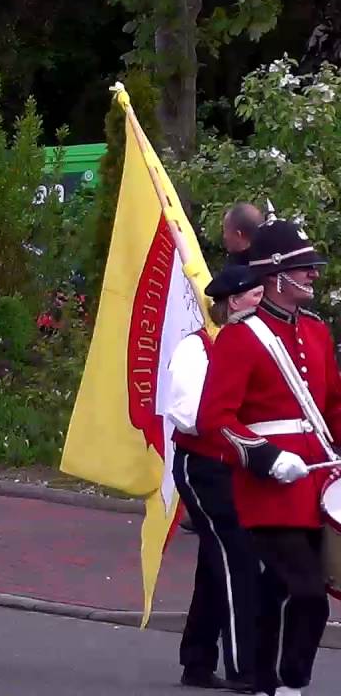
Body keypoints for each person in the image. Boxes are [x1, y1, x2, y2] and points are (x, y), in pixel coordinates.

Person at [198, 220, 338, 696]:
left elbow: (333, 408)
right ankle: (289, 682)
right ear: (277, 276)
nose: (314, 277)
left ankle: (268, 684)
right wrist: (265, 458)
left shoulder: (318, 333)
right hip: (269, 487)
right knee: (307, 593)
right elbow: (215, 417)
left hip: (316, 482)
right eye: (305, 270)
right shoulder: (241, 338)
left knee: (278, 591)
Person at [164, 264, 263, 692]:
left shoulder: (255, 344)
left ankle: (198, 661)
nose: (262, 300)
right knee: (236, 559)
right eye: (255, 295)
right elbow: (188, 415)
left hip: (232, 466)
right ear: (233, 302)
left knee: (215, 561)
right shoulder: (198, 347)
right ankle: (245, 667)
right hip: (203, 466)